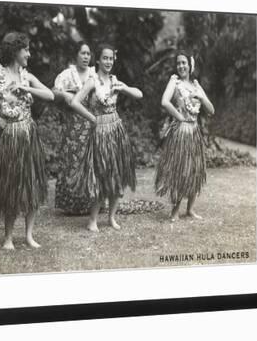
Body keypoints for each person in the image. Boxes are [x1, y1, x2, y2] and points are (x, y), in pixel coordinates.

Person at [0, 32, 54, 250]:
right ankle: (8, 238)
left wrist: (27, 88)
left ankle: (28, 235)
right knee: (11, 187)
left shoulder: (27, 76)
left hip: (29, 135)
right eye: (26, 49)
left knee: (32, 183)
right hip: (10, 137)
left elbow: (50, 95)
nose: (29, 53)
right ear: (15, 50)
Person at [70, 43, 143, 232]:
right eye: (105, 58)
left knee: (116, 173)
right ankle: (93, 220)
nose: (108, 61)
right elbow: (75, 102)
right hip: (100, 131)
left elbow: (139, 94)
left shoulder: (115, 80)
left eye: (111, 58)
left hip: (116, 130)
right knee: (100, 174)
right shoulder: (92, 81)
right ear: (98, 60)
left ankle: (111, 217)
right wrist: (93, 118)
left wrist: (124, 89)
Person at [154, 51, 215, 222]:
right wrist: (179, 117)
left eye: (184, 63)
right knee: (180, 171)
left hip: (194, 132)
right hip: (181, 132)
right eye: (178, 63)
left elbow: (211, 110)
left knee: (195, 170)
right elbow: (164, 101)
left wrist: (202, 98)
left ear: (190, 65)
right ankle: (175, 211)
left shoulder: (196, 86)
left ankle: (190, 210)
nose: (181, 66)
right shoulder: (174, 82)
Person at [52, 42, 97, 215]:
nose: (86, 57)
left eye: (88, 54)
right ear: (76, 55)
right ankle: (71, 204)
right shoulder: (67, 74)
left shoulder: (94, 74)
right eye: (82, 53)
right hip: (73, 125)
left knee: (91, 161)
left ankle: (91, 203)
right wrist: (64, 94)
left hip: (92, 123)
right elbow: (52, 92)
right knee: (72, 161)